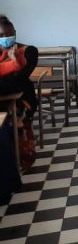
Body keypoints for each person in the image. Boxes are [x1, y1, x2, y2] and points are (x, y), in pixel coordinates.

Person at [0, 15, 38, 176]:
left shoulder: (28, 51)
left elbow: (19, 79)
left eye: (9, 34)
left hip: (23, 99)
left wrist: (14, 65)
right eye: (1, 36)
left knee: (18, 124)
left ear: (15, 32)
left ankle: (21, 162)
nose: (6, 38)